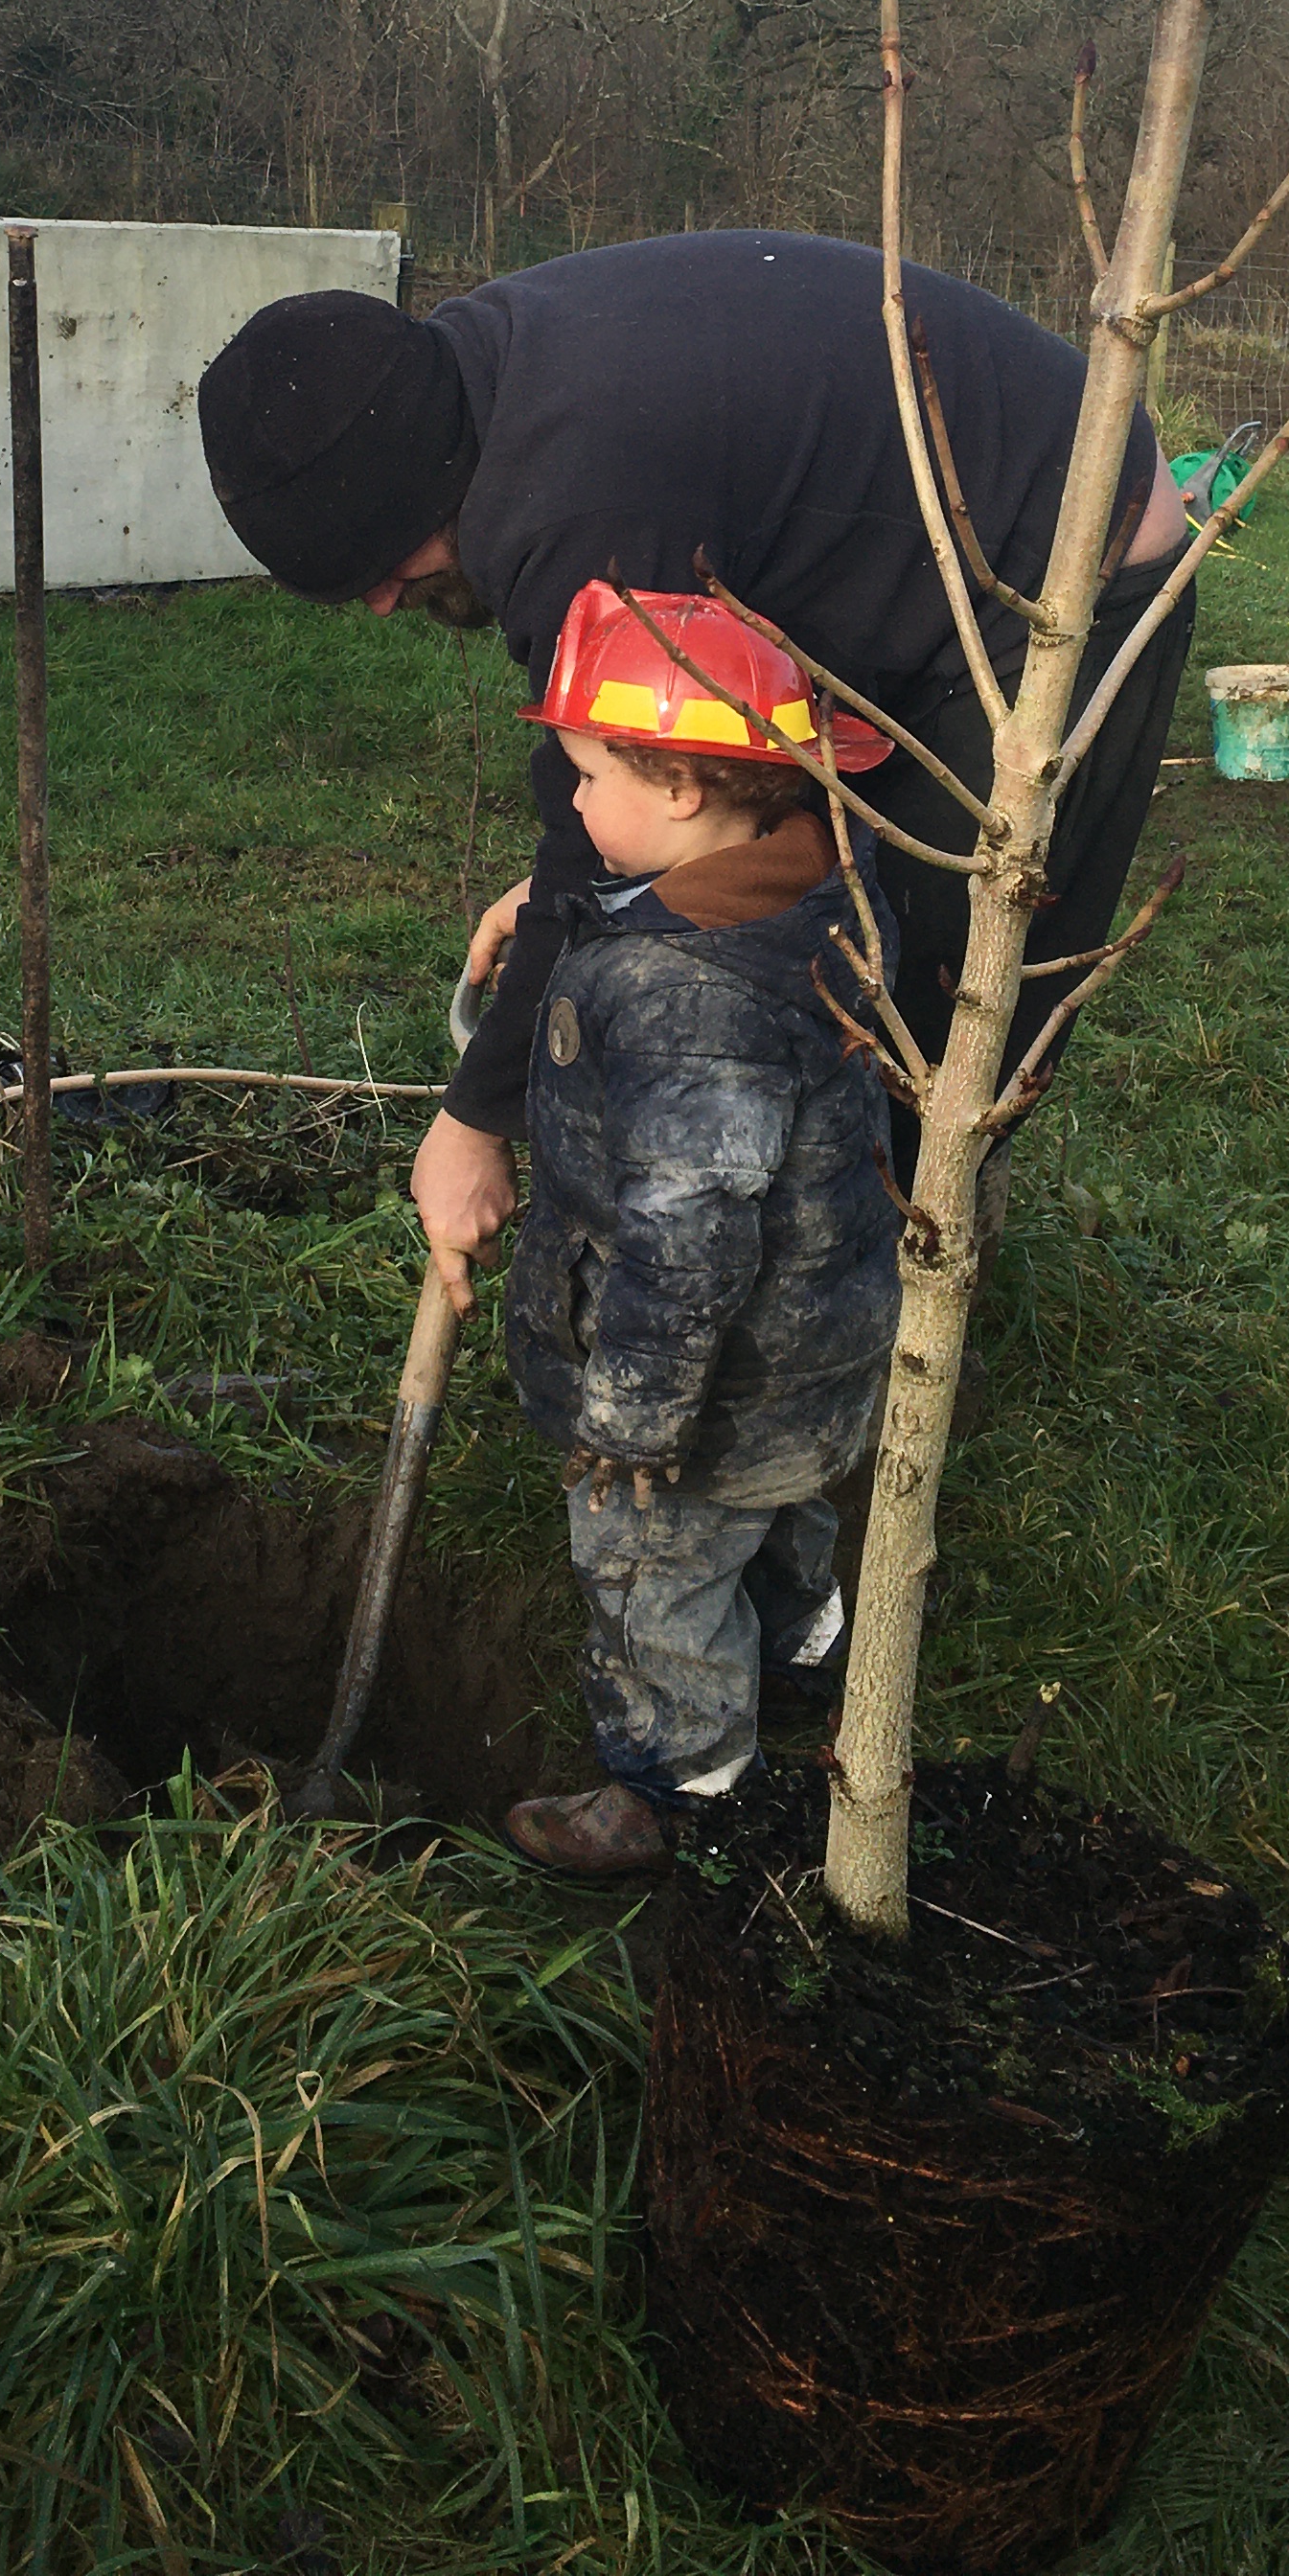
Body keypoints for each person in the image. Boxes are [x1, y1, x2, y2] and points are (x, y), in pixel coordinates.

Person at [196, 233, 1198, 1284]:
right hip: (926, 528)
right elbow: (646, 784)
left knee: (921, 995)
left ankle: (878, 1329)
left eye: (379, 560)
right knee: (814, 908)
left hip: (1065, 553)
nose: (381, 599)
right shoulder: (479, 374)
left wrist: (475, 1123)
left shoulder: (578, 489)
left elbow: (622, 805)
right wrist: (562, 880)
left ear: (415, 484)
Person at [478, 582, 901, 1879]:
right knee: (782, 1521)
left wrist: (630, 1428)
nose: (571, 806)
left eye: (586, 775)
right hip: (820, 1353)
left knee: (655, 1575)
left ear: (674, 789)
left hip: (705, 1394)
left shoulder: (679, 1000)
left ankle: (688, 1789)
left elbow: (688, 1244)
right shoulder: (816, 884)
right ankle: (804, 1656)